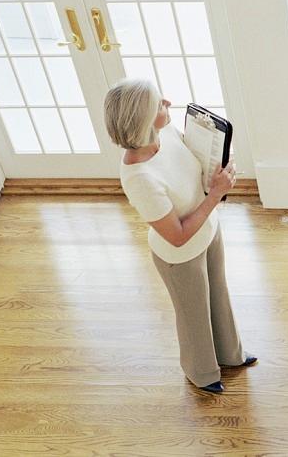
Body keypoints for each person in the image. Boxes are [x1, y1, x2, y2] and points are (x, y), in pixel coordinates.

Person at [104, 78, 257, 393]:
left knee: (219, 294)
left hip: (208, 231)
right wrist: (215, 195)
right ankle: (201, 373)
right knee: (193, 317)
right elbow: (176, 236)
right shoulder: (139, 178)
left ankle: (231, 354)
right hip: (181, 255)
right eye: (160, 103)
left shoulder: (165, 133)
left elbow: (192, 161)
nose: (169, 103)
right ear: (144, 120)